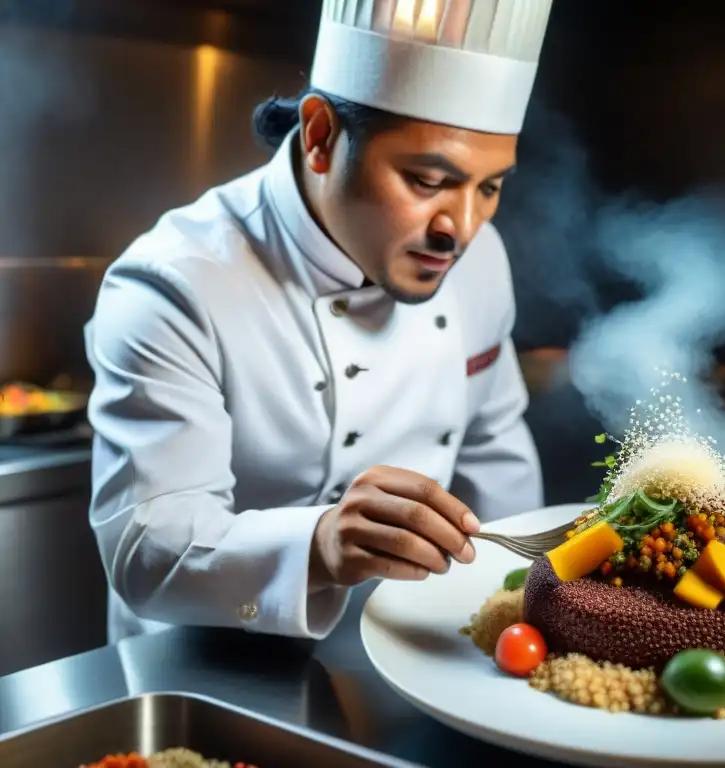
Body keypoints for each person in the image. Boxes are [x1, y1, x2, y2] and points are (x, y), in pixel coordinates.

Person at [84, 0, 555, 644]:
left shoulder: (477, 264)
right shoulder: (175, 284)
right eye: (426, 180)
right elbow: (149, 552)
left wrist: (532, 610)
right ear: (319, 135)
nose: (462, 230)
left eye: (490, 187)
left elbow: (494, 453)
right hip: (206, 657)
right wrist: (321, 544)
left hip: (413, 644)